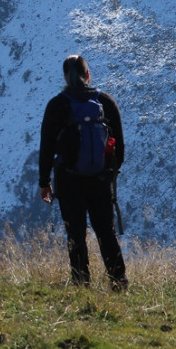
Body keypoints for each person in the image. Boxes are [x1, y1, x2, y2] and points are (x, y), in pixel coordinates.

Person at [39, 54, 128, 290]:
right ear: (88, 75)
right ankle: (119, 282)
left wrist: (44, 182)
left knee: (76, 235)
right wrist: (109, 173)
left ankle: (81, 285)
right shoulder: (106, 102)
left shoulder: (57, 105)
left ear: (65, 77)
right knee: (106, 232)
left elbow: (46, 147)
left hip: (68, 179)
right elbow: (120, 147)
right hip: (100, 179)